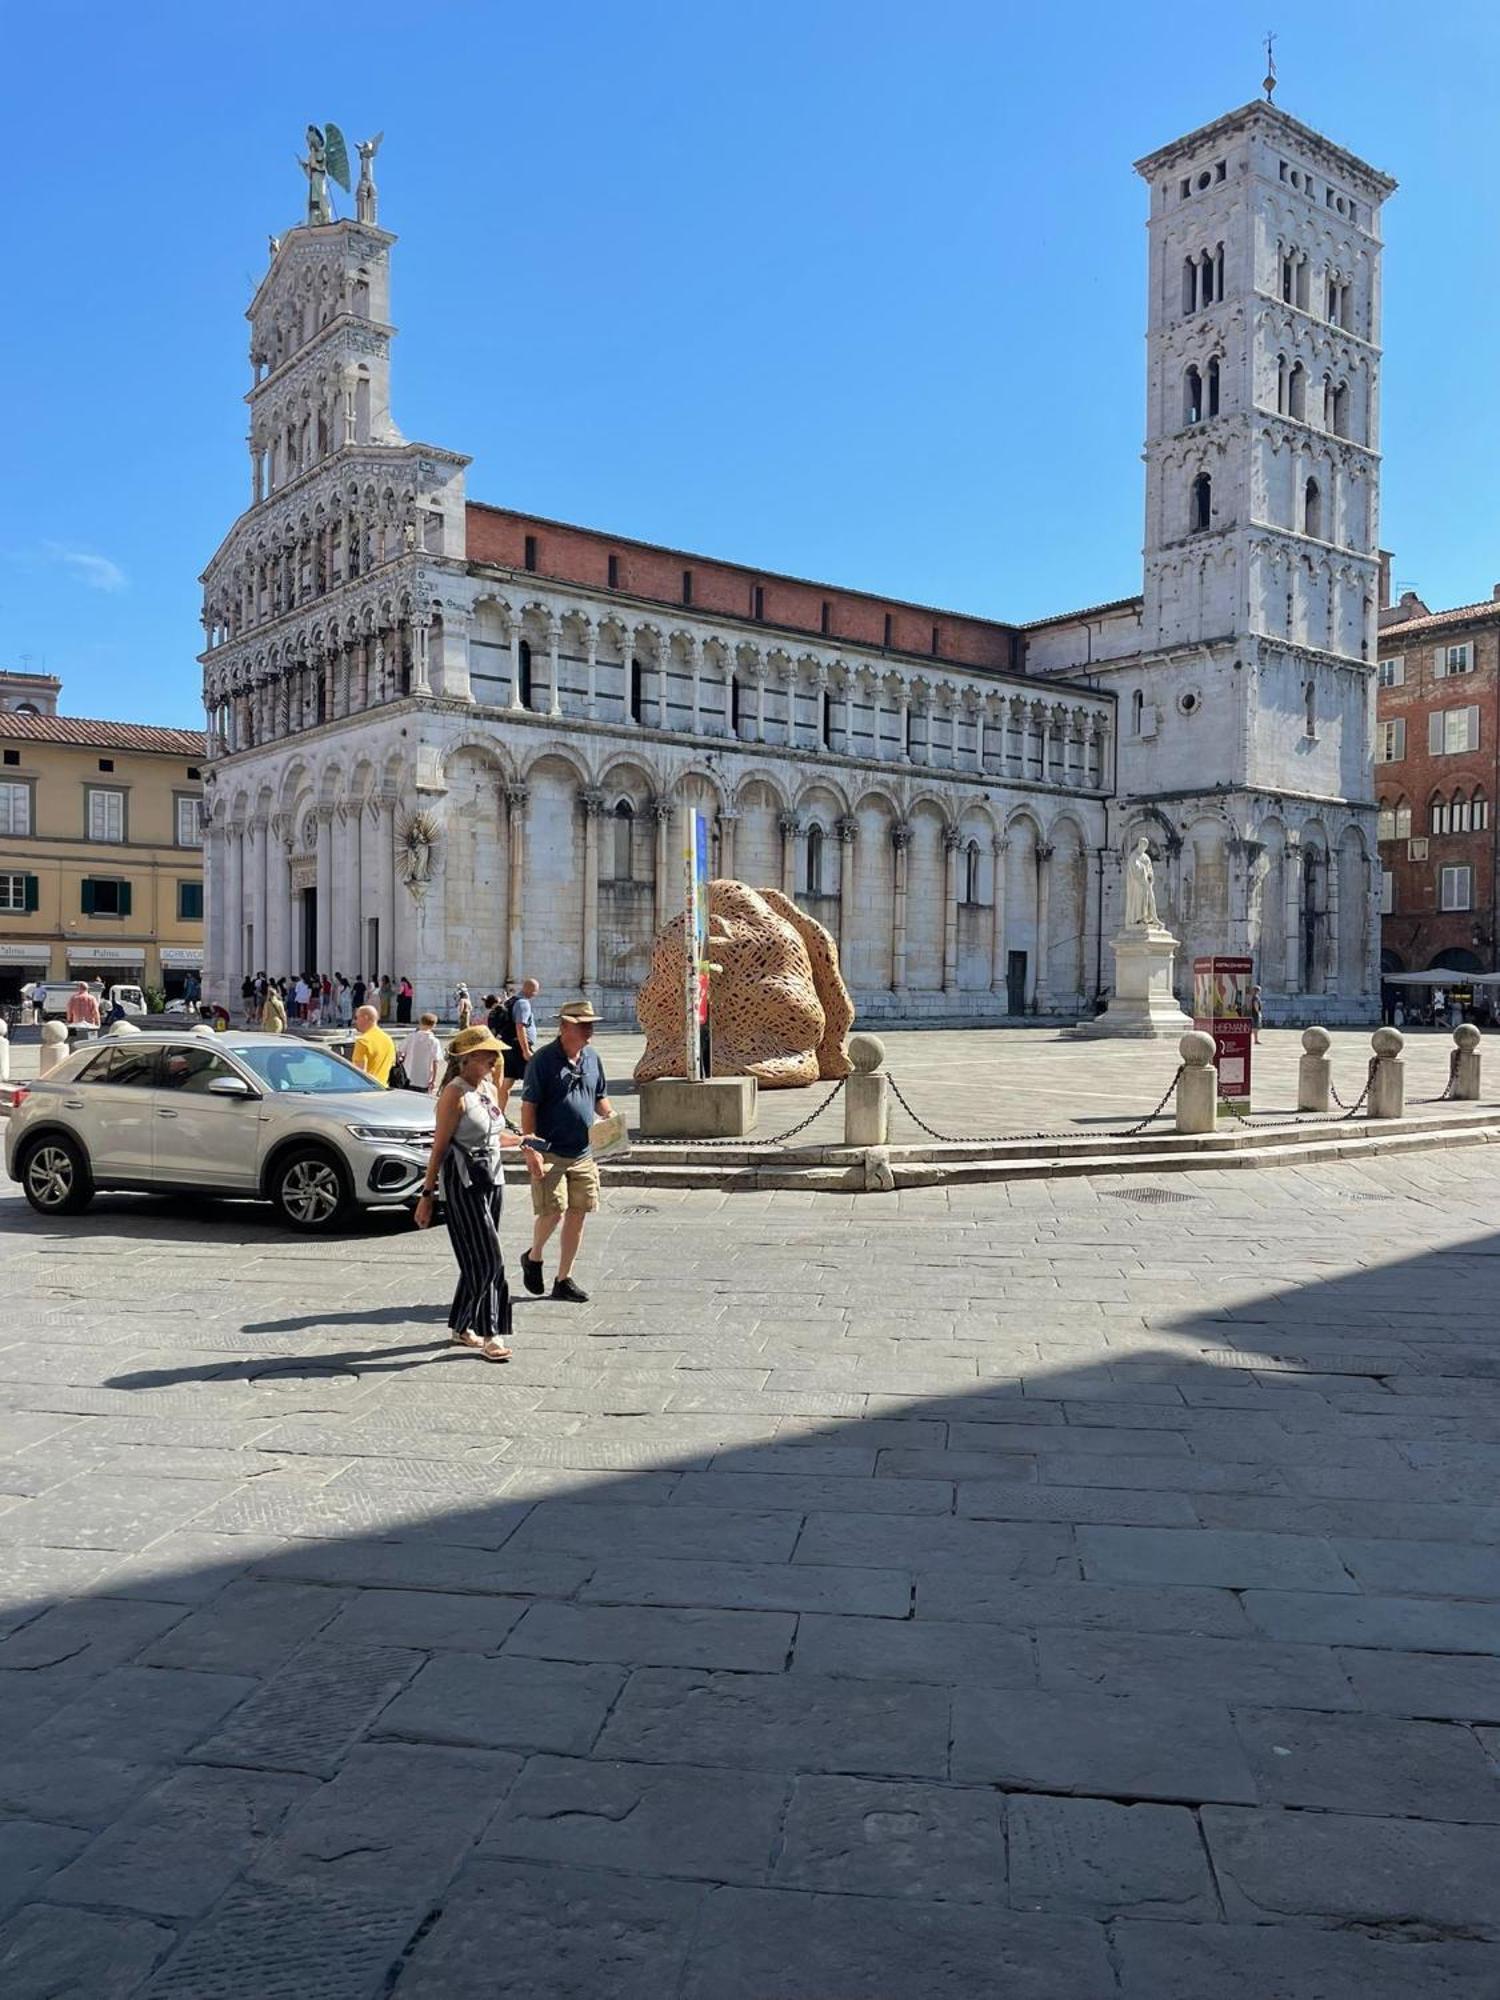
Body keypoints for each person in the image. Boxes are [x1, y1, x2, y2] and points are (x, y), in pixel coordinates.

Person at [414, 1027, 526, 1363]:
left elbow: (494, 1135)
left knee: (477, 1255)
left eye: (495, 1053)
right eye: (486, 1054)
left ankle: (461, 1326)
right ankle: (491, 1332)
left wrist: (524, 1141)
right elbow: (440, 1147)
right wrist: (427, 1193)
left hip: (493, 1180)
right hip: (464, 1184)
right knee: (489, 1259)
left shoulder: (489, 1090)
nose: (494, 1059)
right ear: (467, 1059)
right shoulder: (454, 1094)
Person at [519, 999, 613, 1304]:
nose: (589, 1030)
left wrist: (611, 1119)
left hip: (583, 1151)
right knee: (553, 1211)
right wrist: (530, 1147)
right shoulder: (543, 1061)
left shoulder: (592, 1057)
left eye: (590, 1024)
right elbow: (528, 1106)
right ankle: (533, 1257)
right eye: (582, 1024)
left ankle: (563, 1279)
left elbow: (600, 1097)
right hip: (550, 1150)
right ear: (564, 1027)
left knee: (579, 1212)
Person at [497, 976, 539, 1120]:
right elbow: (520, 1027)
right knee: (534, 1079)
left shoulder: (511, 1001)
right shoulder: (523, 1003)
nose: (536, 994)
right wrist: (526, 1051)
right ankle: (531, 1115)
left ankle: (499, 1113)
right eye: (535, 991)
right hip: (518, 1048)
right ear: (530, 989)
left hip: (508, 1046)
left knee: (507, 1081)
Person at [351, 1002, 397, 1086]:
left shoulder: (363, 1041)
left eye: (357, 1018)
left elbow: (359, 1073)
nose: (355, 1021)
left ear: (365, 1018)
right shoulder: (388, 1039)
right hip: (382, 1088)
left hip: (366, 1091)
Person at [401, 1011, 443, 1095]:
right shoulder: (434, 1041)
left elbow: (401, 1052)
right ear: (434, 1025)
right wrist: (434, 1080)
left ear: (420, 1023)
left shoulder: (410, 1037)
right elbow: (436, 1061)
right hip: (424, 1078)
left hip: (408, 1075)